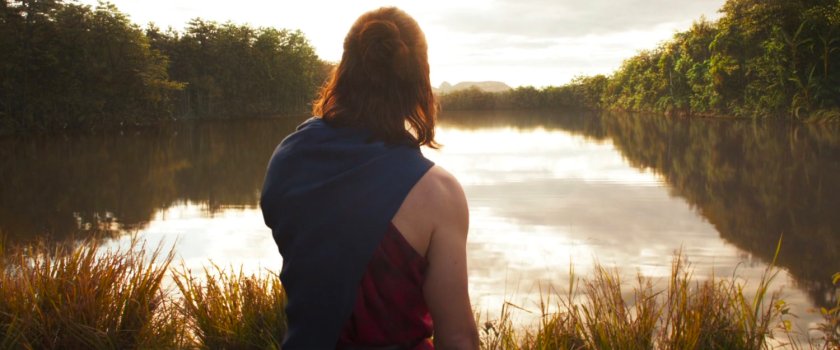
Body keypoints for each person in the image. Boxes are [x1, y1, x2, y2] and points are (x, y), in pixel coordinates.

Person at [260, 7, 479, 350]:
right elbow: (458, 338)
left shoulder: (287, 160)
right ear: (419, 82)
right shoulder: (438, 193)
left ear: (344, 70)